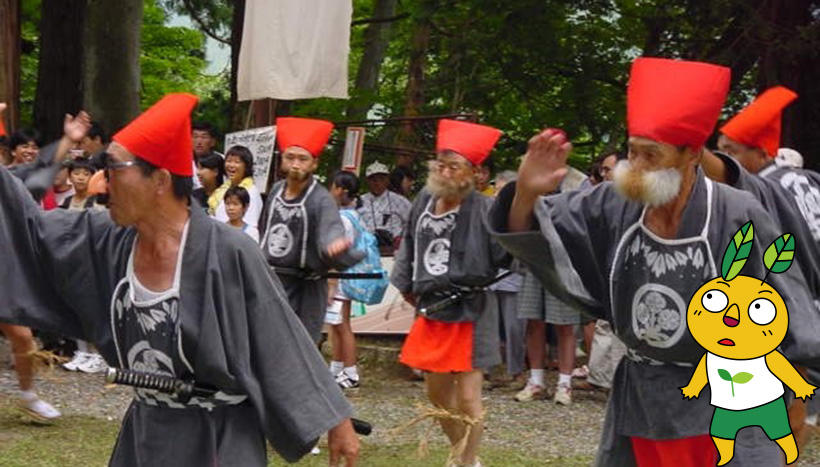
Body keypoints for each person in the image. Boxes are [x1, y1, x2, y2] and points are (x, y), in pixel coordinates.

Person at [488, 57, 820, 466]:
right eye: (632, 152)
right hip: (643, 396)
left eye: (652, 155)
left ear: (691, 153)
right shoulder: (615, 200)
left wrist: (798, 385)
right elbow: (537, 237)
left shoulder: (739, 213)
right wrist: (525, 192)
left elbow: (788, 303)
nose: (637, 168)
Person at [0, 95, 359, 466]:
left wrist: (336, 419)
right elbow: (27, 228)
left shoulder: (228, 251)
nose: (102, 184)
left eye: (113, 169)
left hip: (218, 438)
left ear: (159, 180)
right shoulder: (105, 239)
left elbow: (280, 337)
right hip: (145, 431)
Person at [393, 119, 508, 467]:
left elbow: (505, 254)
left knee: (470, 398)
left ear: (473, 173)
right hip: (432, 307)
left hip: (471, 307)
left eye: (453, 166)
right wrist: (406, 284)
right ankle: (463, 455)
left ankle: (466, 461)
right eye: (440, 164)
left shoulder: (486, 209)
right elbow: (409, 241)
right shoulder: (424, 199)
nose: (444, 171)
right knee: (437, 395)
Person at [260, 116, 363, 343]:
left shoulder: (321, 200)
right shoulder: (276, 191)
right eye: (290, 158)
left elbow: (331, 229)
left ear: (314, 163)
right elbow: (263, 230)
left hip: (305, 286)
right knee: (266, 344)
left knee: (301, 347)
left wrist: (334, 246)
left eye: (303, 159)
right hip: (272, 282)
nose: (296, 164)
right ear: (282, 160)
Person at [326, 170, 364, 390]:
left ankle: (351, 372)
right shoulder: (353, 215)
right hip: (345, 277)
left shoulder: (342, 219)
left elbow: (336, 253)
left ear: (341, 190)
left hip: (340, 279)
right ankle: (337, 367)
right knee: (336, 324)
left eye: (333, 186)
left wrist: (331, 284)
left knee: (342, 325)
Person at [357, 161, 412, 253]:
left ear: (387, 180)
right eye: (373, 180)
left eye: (381, 179)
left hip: (394, 251)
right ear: (367, 181)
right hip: (366, 250)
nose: (377, 183)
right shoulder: (359, 201)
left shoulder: (400, 201)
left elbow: (412, 223)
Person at [210, 145, 263, 227]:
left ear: (246, 166)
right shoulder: (222, 189)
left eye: (237, 162)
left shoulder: (251, 192)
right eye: (229, 161)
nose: (231, 165)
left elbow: (250, 225)